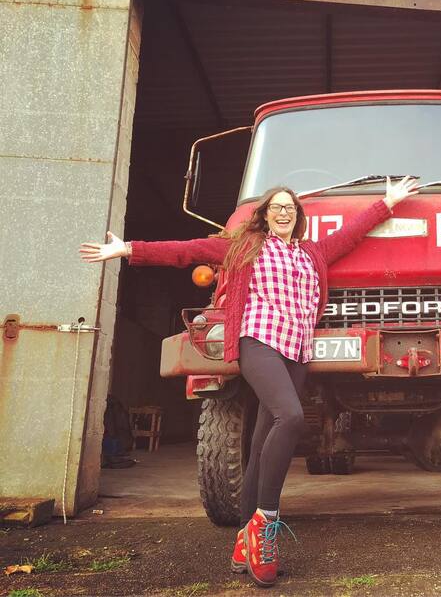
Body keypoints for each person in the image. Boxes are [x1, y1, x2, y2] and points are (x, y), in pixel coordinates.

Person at [80, 176, 419, 588]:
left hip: (296, 349)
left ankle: (245, 538)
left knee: (262, 439)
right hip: (258, 339)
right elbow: (187, 251)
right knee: (291, 418)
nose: (283, 212)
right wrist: (127, 249)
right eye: (275, 207)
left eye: (289, 208)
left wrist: (387, 202)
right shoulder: (245, 246)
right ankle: (267, 525)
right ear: (264, 214)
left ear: (298, 217)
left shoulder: (313, 253)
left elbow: (349, 236)